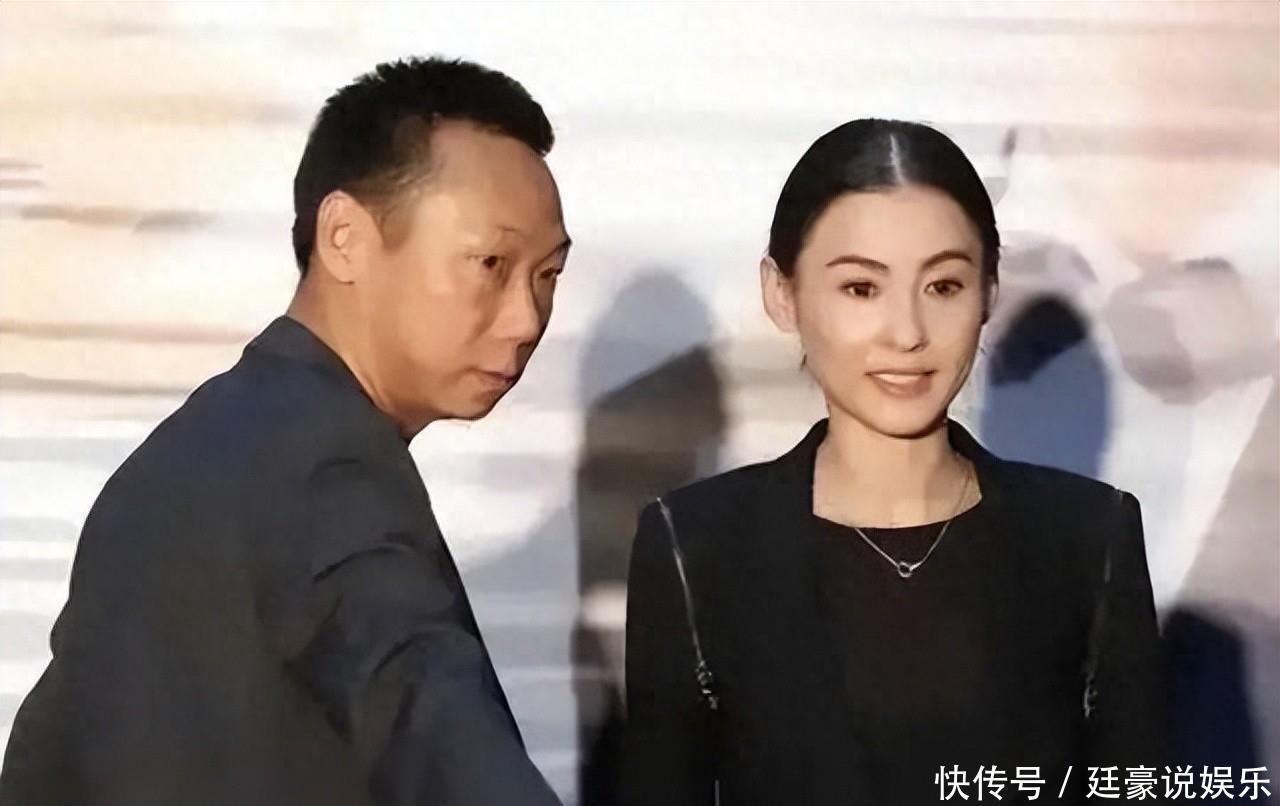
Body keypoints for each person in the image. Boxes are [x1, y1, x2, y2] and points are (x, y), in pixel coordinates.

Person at [0, 57, 569, 806]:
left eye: (547, 275)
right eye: (490, 263)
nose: (527, 319)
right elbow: (422, 704)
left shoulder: (189, 455)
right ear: (344, 237)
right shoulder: (324, 464)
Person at [621, 119, 1169, 806]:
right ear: (782, 292)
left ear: (989, 291)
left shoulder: (1090, 538)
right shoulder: (695, 547)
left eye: (943, 286)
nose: (907, 334)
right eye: (861, 289)